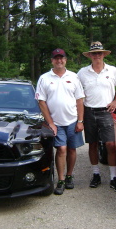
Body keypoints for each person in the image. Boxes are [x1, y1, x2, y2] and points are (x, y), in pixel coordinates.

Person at [77, 41, 116, 192]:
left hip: (106, 111)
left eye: (99, 53)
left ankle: (113, 177)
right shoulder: (82, 72)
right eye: (94, 53)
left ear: (103, 54)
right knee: (92, 144)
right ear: (90, 56)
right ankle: (96, 174)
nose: (97, 56)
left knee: (110, 145)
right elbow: (76, 91)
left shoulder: (111, 70)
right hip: (88, 111)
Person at [36, 48, 85, 195]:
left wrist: (81, 120)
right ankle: (61, 180)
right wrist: (50, 122)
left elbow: (80, 100)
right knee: (61, 149)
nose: (59, 60)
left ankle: (70, 176)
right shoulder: (45, 78)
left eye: (62, 58)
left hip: (72, 120)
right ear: (52, 60)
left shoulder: (74, 77)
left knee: (71, 149)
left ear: (65, 60)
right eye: (56, 58)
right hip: (56, 123)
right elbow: (41, 101)